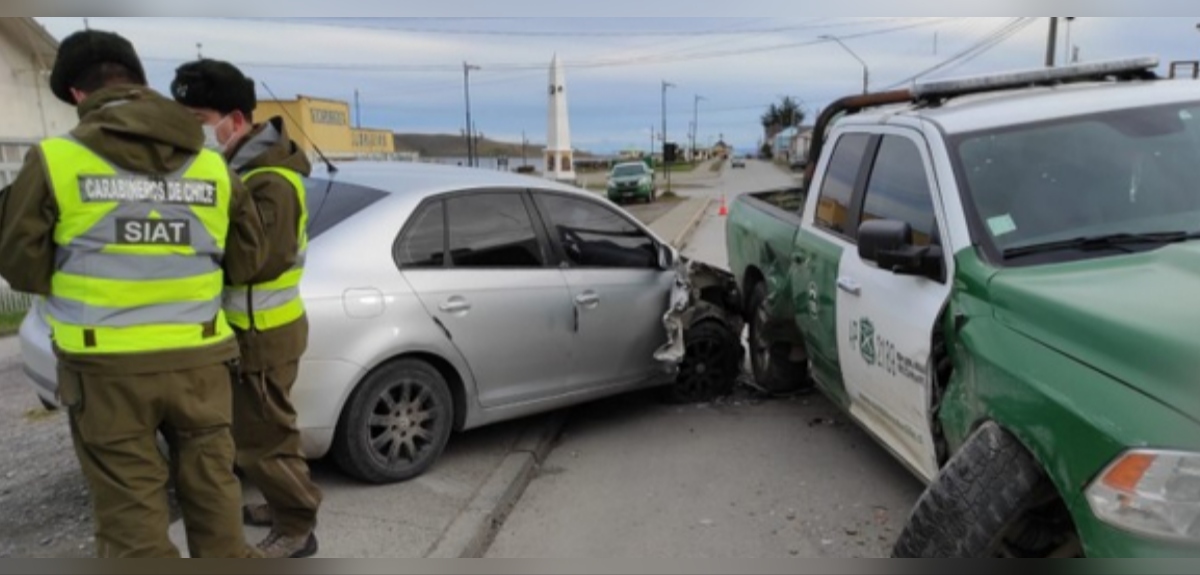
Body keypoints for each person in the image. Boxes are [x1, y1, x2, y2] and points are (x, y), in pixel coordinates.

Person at [0, 29, 274, 558]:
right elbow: (247, 264)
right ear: (141, 82)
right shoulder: (214, 165)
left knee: (133, 521)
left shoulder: (57, 161)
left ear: (78, 95)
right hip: (201, 363)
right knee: (216, 499)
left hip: (106, 371)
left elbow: (23, 269)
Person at [171, 58, 321, 559]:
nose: (194, 133)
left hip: (265, 333)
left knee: (266, 439)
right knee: (258, 433)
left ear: (234, 121)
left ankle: (297, 526)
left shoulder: (269, 180)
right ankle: (283, 505)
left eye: (198, 121)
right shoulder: (243, 170)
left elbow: (250, 263)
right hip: (251, 329)